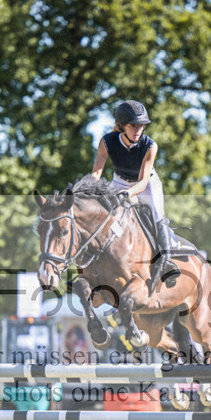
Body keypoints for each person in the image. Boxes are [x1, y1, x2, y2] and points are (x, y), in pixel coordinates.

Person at [90, 99, 179, 285]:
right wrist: (88, 189)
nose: (138, 130)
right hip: (119, 181)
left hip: (146, 184)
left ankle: (167, 261)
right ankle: (96, 258)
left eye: (141, 126)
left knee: (157, 216)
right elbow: (97, 171)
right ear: (122, 126)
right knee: (106, 215)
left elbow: (143, 181)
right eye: (133, 126)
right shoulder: (107, 142)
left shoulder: (150, 146)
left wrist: (127, 195)